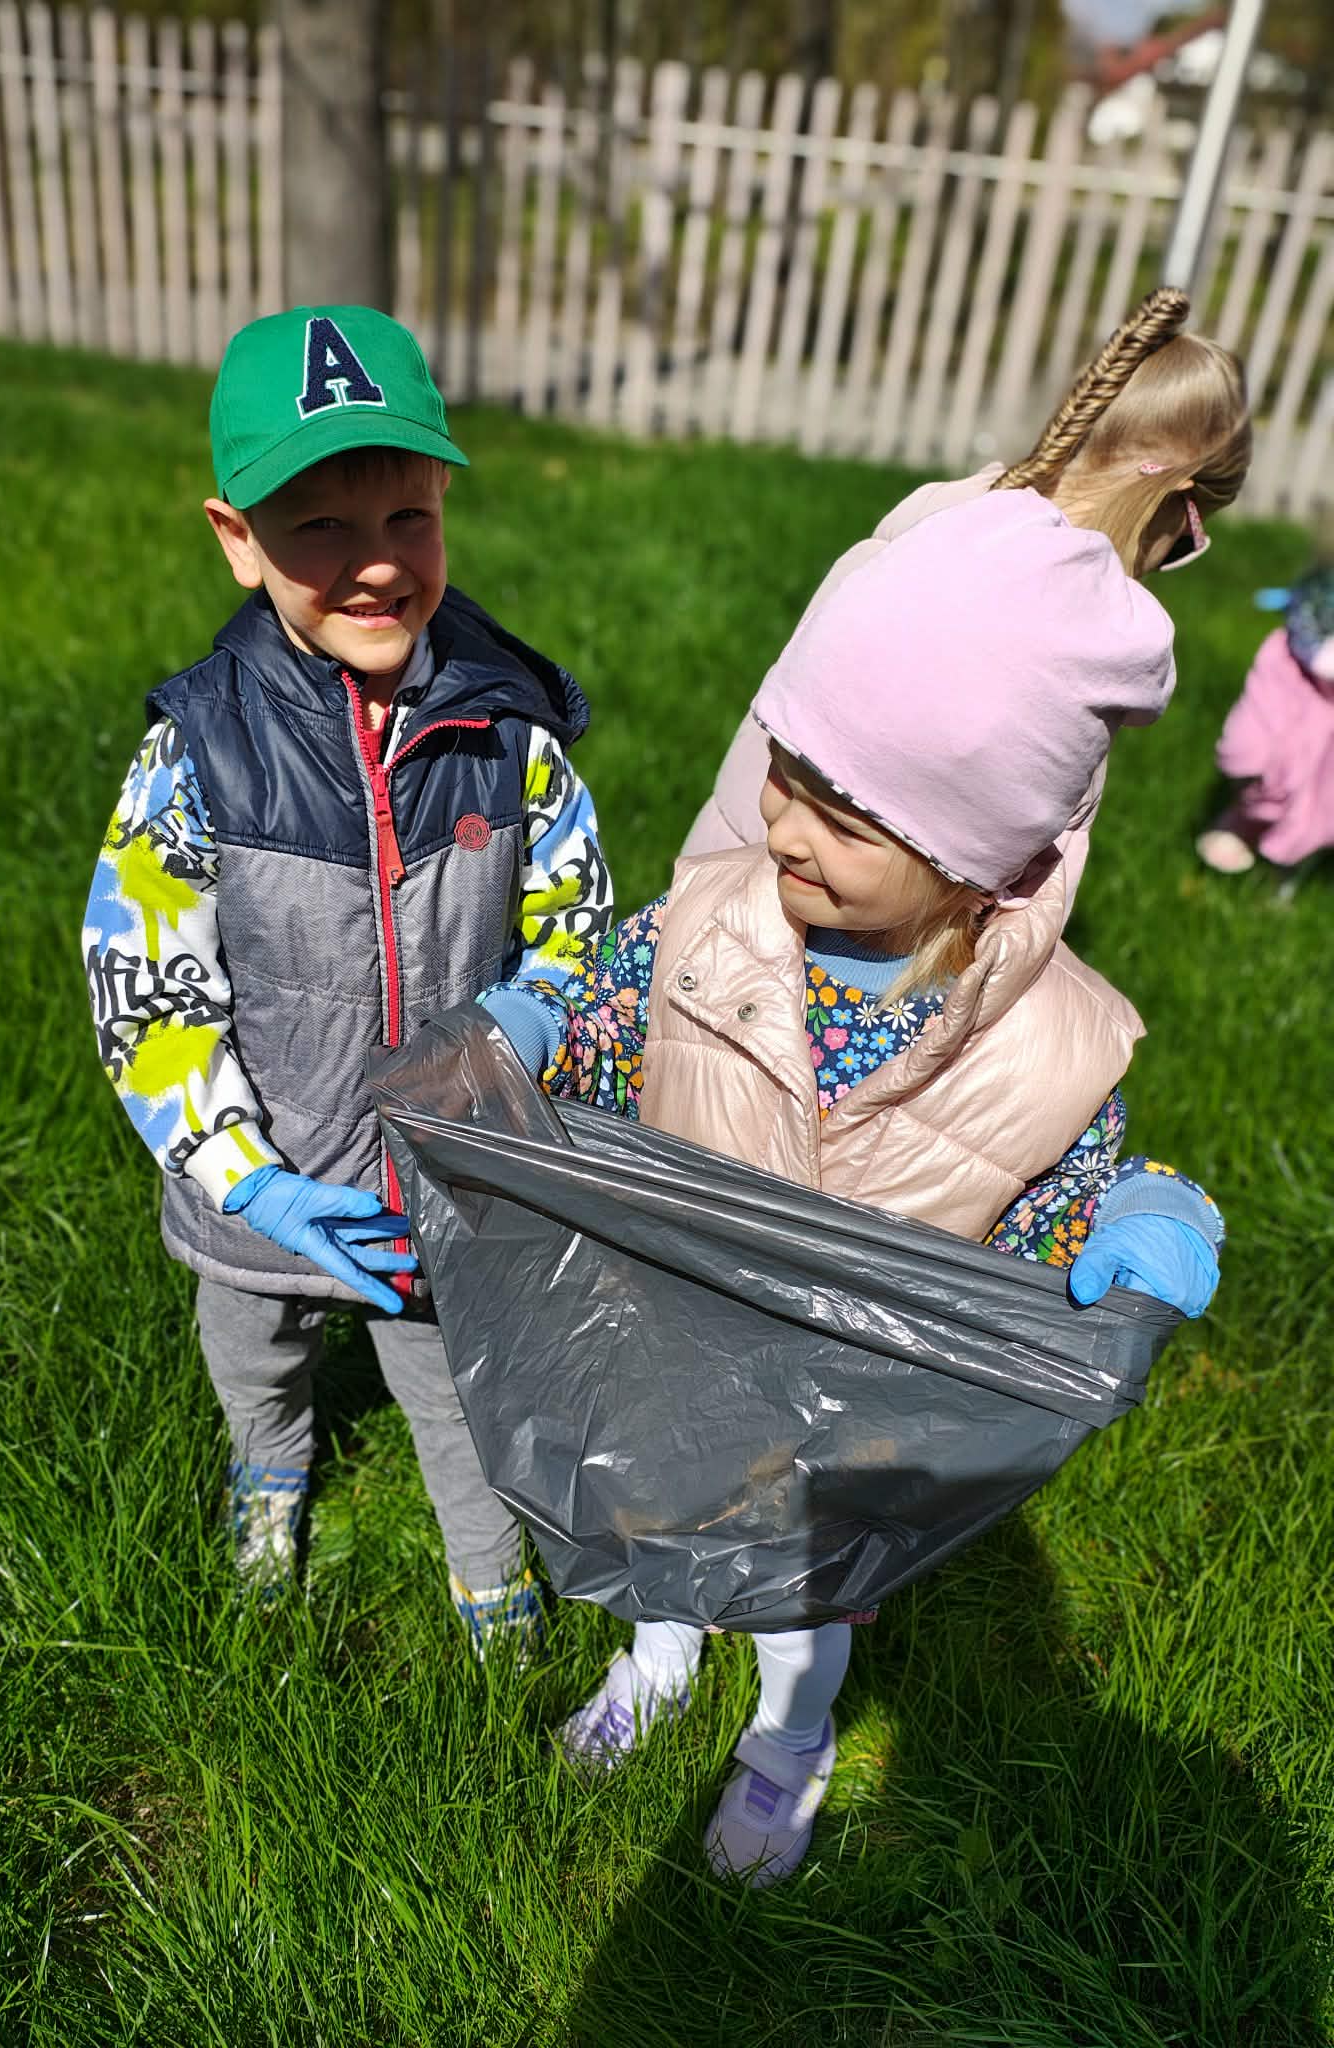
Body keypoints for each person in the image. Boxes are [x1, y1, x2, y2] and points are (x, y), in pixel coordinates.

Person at [475, 490, 1222, 1887]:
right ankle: (658, 1655)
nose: (786, 826)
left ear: (981, 862)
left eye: (846, 814)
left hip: (844, 1419)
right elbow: (610, 1016)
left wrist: (1145, 1215)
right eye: (786, 767)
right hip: (671, 1339)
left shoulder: (1042, 1049)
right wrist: (537, 1027)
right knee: (654, 1524)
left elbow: (1067, 1193)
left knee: (800, 1610)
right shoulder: (712, 917)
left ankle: (789, 1737)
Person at [82, 306, 613, 1647]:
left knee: (455, 1384)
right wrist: (243, 1174)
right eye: (319, 526)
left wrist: (540, 1005)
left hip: (440, 1172)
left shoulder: (506, 732)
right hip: (264, 1171)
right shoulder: (199, 752)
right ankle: (270, 1468)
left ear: (444, 508)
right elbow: (146, 979)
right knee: (252, 1349)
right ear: (236, 537)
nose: (375, 562)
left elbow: (578, 918)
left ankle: (489, 1567)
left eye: (407, 518)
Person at [684, 286, 1251, 878]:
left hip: (740, 832)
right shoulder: (1093, 636)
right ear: (1177, 492)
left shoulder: (946, 510)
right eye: (1189, 539)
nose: (1172, 559)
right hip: (846, 902)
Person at [1197, 563, 1334, 875]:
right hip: (1300, 659)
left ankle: (1291, 853)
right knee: (1251, 751)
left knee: (1324, 786)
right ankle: (1250, 815)